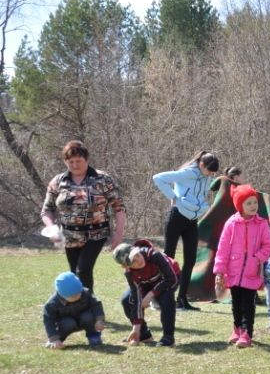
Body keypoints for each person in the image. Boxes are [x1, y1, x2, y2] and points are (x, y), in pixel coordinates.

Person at [40, 140, 126, 293]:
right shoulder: (58, 181)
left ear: (87, 159)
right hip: (69, 236)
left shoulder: (103, 179)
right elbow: (47, 210)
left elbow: (119, 208)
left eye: (78, 161)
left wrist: (118, 235)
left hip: (96, 233)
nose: (74, 165)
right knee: (75, 273)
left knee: (83, 269)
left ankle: (90, 311)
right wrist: (51, 228)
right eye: (70, 161)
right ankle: (81, 309)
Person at [152, 150, 220, 311]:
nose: (211, 174)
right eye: (209, 170)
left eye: (213, 173)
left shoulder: (207, 176)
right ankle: (159, 297)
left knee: (190, 259)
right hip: (176, 217)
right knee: (168, 259)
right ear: (201, 165)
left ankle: (182, 299)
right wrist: (173, 197)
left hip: (192, 220)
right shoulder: (188, 172)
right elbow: (158, 178)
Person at [213, 185, 270, 349]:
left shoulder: (262, 224)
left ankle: (247, 333)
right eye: (249, 203)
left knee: (248, 304)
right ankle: (237, 329)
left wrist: (257, 258)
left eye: (255, 202)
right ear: (240, 205)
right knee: (236, 304)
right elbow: (223, 248)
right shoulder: (231, 224)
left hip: (251, 273)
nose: (253, 206)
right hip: (233, 273)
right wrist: (220, 270)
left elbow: (269, 245)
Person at [113, 239, 180, 347]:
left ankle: (168, 336)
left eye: (137, 255)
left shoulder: (154, 255)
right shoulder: (129, 272)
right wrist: (136, 328)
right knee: (127, 300)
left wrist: (151, 295)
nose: (139, 260)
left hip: (169, 278)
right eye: (133, 261)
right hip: (147, 282)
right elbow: (136, 297)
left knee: (166, 298)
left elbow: (171, 279)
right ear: (126, 266)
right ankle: (143, 335)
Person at [42, 272, 106, 348]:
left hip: (84, 319)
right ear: (62, 294)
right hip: (66, 323)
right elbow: (49, 321)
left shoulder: (85, 293)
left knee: (88, 316)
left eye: (79, 294)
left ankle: (94, 336)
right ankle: (58, 341)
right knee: (68, 323)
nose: (77, 297)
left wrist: (99, 320)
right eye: (73, 296)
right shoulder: (52, 304)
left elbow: (96, 304)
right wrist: (53, 338)